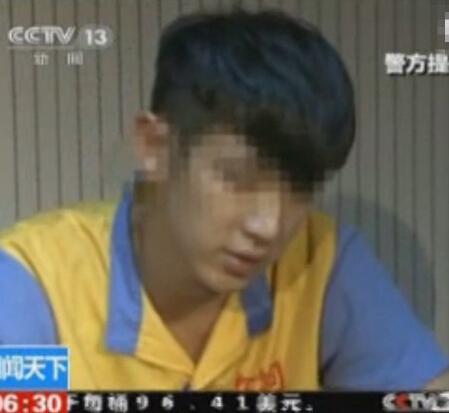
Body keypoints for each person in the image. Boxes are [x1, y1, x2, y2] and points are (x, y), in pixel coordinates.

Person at [0, 9, 447, 391]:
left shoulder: (322, 261)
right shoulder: (34, 282)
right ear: (155, 146)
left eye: (300, 188)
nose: (268, 226)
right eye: (237, 178)